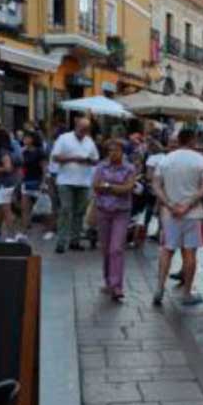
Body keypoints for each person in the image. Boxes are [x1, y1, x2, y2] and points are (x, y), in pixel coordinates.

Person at [151, 128, 203, 306]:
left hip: (170, 214)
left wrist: (169, 204)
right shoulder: (201, 160)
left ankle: (159, 288)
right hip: (193, 213)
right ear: (193, 140)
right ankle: (186, 293)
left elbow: (156, 185)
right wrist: (188, 204)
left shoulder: (165, 160)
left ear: (179, 140)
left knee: (167, 250)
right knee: (190, 252)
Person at [92, 138, 137, 302]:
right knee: (105, 249)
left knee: (116, 248)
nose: (113, 153)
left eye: (116, 150)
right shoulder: (101, 166)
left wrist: (108, 186)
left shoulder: (130, 168)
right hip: (103, 210)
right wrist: (114, 187)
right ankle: (108, 280)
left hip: (121, 212)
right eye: (110, 150)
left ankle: (117, 286)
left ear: (123, 152)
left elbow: (127, 188)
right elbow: (95, 185)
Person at [51, 116, 100, 254]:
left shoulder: (89, 141)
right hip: (65, 180)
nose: (84, 131)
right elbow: (55, 157)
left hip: (83, 181)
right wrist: (73, 158)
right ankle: (61, 242)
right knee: (66, 209)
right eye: (82, 128)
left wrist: (88, 160)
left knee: (80, 212)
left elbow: (96, 160)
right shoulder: (64, 138)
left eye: (86, 129)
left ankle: (75, 241)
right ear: (76, 125)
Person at [19, 132, 48, 237]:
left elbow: (44, 168)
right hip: (26, 180)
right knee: (24, 206)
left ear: (32, 139)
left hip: (37, 180)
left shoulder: (40, 152)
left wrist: (44, 182)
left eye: (27, 138)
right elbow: (21, 166)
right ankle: (24, 229)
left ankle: (48, 228)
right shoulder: (23, 151)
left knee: (42, 206)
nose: (24, 139)